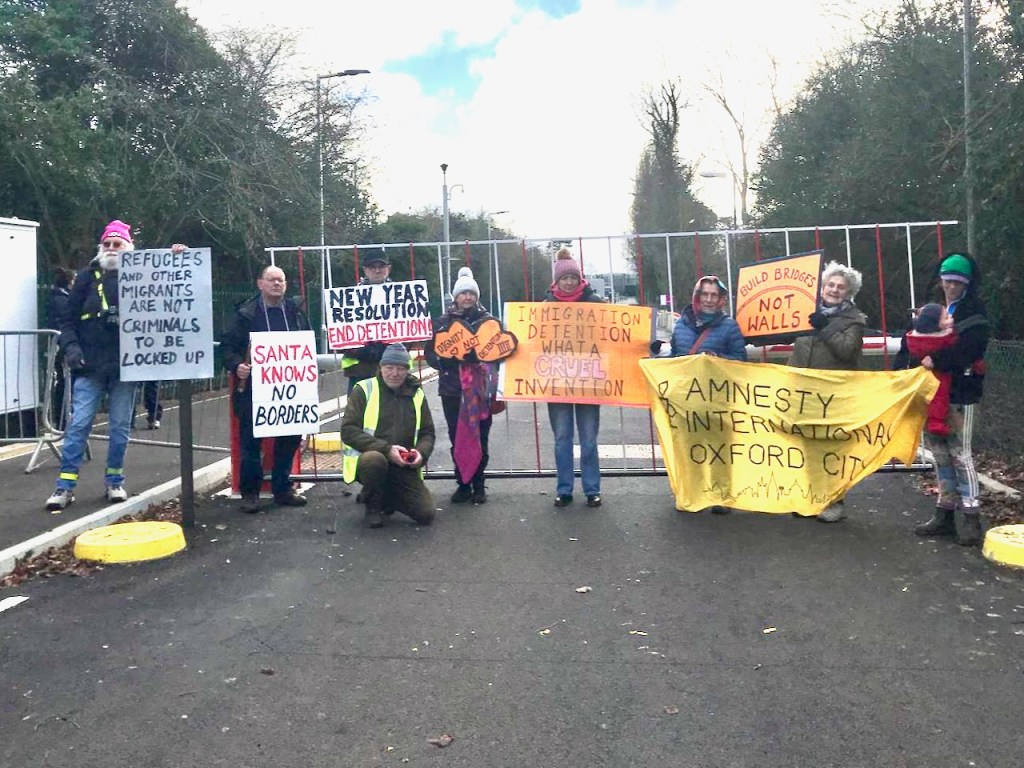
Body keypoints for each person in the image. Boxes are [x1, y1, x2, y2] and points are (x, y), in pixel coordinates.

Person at [44, 221, 183, 511]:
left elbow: (170, 286)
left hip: (126, 367)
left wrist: (176, 256)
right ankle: (64, 486)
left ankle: (114, 480)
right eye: (106, 244)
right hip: (89, 366)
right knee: (79, 424)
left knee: (120, 427)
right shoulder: (85, 278)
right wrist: (71, 348)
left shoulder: (141, 275)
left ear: (128, 248)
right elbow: (67, 321)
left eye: (117, 244)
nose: (110, 249)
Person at [910, 253, 989, 545]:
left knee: (961, 454)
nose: (951, 287)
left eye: (957, 283)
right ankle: (945, 512)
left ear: (966, 283)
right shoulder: (938, 309)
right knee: (941, 455)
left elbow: (970, 351)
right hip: (935, 393)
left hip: (961, 393)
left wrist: (934, 358)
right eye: (947, 281)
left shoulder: (975, 316)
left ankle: (971, 516)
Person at [221, 265, 311, 514]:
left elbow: (306, 342)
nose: (276, 284)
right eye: (271, 280)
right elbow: (227, 346)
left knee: (290, 438)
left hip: (289, 387)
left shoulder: (295, 312)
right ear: (260, 283)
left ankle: (283, 489)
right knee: (251, 443)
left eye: (280, 280)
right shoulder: (245, 313)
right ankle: (250, 493)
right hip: (252, 389)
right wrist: (236, 365)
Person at [788, 260, 867, 522]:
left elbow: (846, 351)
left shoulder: (855, 320)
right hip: (803, 391)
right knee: (807, 447)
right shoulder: (805, 313)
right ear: (822, 287)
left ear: (849, 293)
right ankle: (809, 498)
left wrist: (825, 327)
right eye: (830, 285)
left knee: (831, 448)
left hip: (833, 396)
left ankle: (834, 501)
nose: (834, 290)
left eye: (840, 287)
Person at [667, 275, 748, 514]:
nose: (710, 300)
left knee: (719, 449)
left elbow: (740, 360)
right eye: (706, 294)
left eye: (715, 295)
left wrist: (718, 360)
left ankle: (721, 496)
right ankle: (690, 494)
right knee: (688, 448)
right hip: (687, 400)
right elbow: (673, 357)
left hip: (718, 400)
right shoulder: (681, 325)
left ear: (721, 299)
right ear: (697, 297)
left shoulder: (729, 326)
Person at [341, 342, 437, 529]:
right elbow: (348, 430)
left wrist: (420, 454)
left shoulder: (416, 394)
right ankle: (373, 506)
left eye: (400, 368)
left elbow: (427, 432)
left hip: (403, 464)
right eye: (389, 367)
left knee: (426, 514)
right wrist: (386, 450)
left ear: (407, 370)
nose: (394, 373)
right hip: (370, 459)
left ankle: (385, 494)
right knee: (374, 460)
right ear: (381, 367)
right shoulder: (363, 389)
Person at [425, 267, 496, 505]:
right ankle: (463, 483)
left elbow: (500, 351)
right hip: (452, 390)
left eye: (471, 293)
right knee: (458, 437)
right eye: (463, 293)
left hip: (480, 389)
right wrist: (447, 358)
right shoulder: (443, 323)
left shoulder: (488, 321)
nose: (467, 297)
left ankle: (479, 484)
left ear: (477, 296)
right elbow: (431, 354)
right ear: (455, 296)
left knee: (480, 436)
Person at [545, 247, 604, 509]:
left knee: (589, 439)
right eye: (563, 279)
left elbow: (618, 336)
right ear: (556, 281)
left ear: (580, 279)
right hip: (557, 382)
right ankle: (564, 489)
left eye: (572, 278)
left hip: (588, 381)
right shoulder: (546, 308)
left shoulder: (596, 304)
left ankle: (592, 489)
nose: (568, 282)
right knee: (562, 438)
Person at [895, 303, 957, 436]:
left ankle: (929, 421)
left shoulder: (912, 338)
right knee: (939, 396)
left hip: (920, 377)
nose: (950, 318)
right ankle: (936, 422)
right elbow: (955, 350)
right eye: (946, 317)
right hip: (940, 375)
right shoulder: (944, 338)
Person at [341, 247, 392, 394]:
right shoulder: (349, 298)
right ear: (365, 270)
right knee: (358, 415)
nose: (377, 270)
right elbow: (342, 333)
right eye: (372, 267)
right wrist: (365, 351)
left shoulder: (404, 296)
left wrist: (386, 351)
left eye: (381, 266)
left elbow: (410, 332)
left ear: (388, 268)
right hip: (359, 371)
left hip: (393, 370)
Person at [45, 266, 75, 432]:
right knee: (65, 382)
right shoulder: (63, 300)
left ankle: (63, 419)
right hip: (62, 345)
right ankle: (64, 420)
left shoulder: (57, 297)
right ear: (70, 282)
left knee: (63, 382)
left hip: (58, 344)